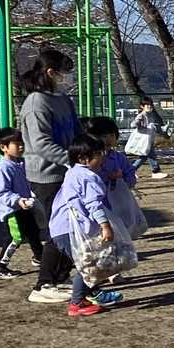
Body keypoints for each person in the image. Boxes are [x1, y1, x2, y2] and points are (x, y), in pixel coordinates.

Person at [18, 48, 82, 304]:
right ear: (51, 72)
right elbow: (41, 144)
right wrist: (73, 160)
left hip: (69, 171)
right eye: (65, 72)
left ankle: (60, 277)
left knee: (75, 227)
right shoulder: (36, 103)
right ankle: (44, 284)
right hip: (46, 176)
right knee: (60, 229)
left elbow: (77, 131)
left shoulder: (63, 99)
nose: (69, 77)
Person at [47, 134, 124, 317]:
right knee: (89, 264)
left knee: (89, 263)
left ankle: (91, 294)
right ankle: (77, 303)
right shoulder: (88, 176)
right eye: (98, 154)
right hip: (70, 229)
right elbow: (93, 204)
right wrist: (105, 225)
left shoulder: (73, 172)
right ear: (83, 158)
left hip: (60, 228)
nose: (102, 157)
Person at [0, 128, 44, 280]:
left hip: (24, 206)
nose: (21, 146)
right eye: (17, 144)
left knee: (33, 231)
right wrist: (18, 200)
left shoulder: (19, 163)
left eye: (22, 143)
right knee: (16, 237)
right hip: (11, 210)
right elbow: (2, 193)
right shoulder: (3, 169)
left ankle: (40, 257)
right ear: (3, 147)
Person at [127, 97, 168, 178]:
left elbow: (152, 127)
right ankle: (155, 171)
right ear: (142, 106)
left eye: (150, 105)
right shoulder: (141, 115)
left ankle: (130, 171)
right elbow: (133, 124)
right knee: (147, 155)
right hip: (143, 140)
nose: (149, 106)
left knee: (146, 156)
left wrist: (161, 129)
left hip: (148, 140)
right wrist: (139, 125)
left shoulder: (150, 115)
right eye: (147, 105)